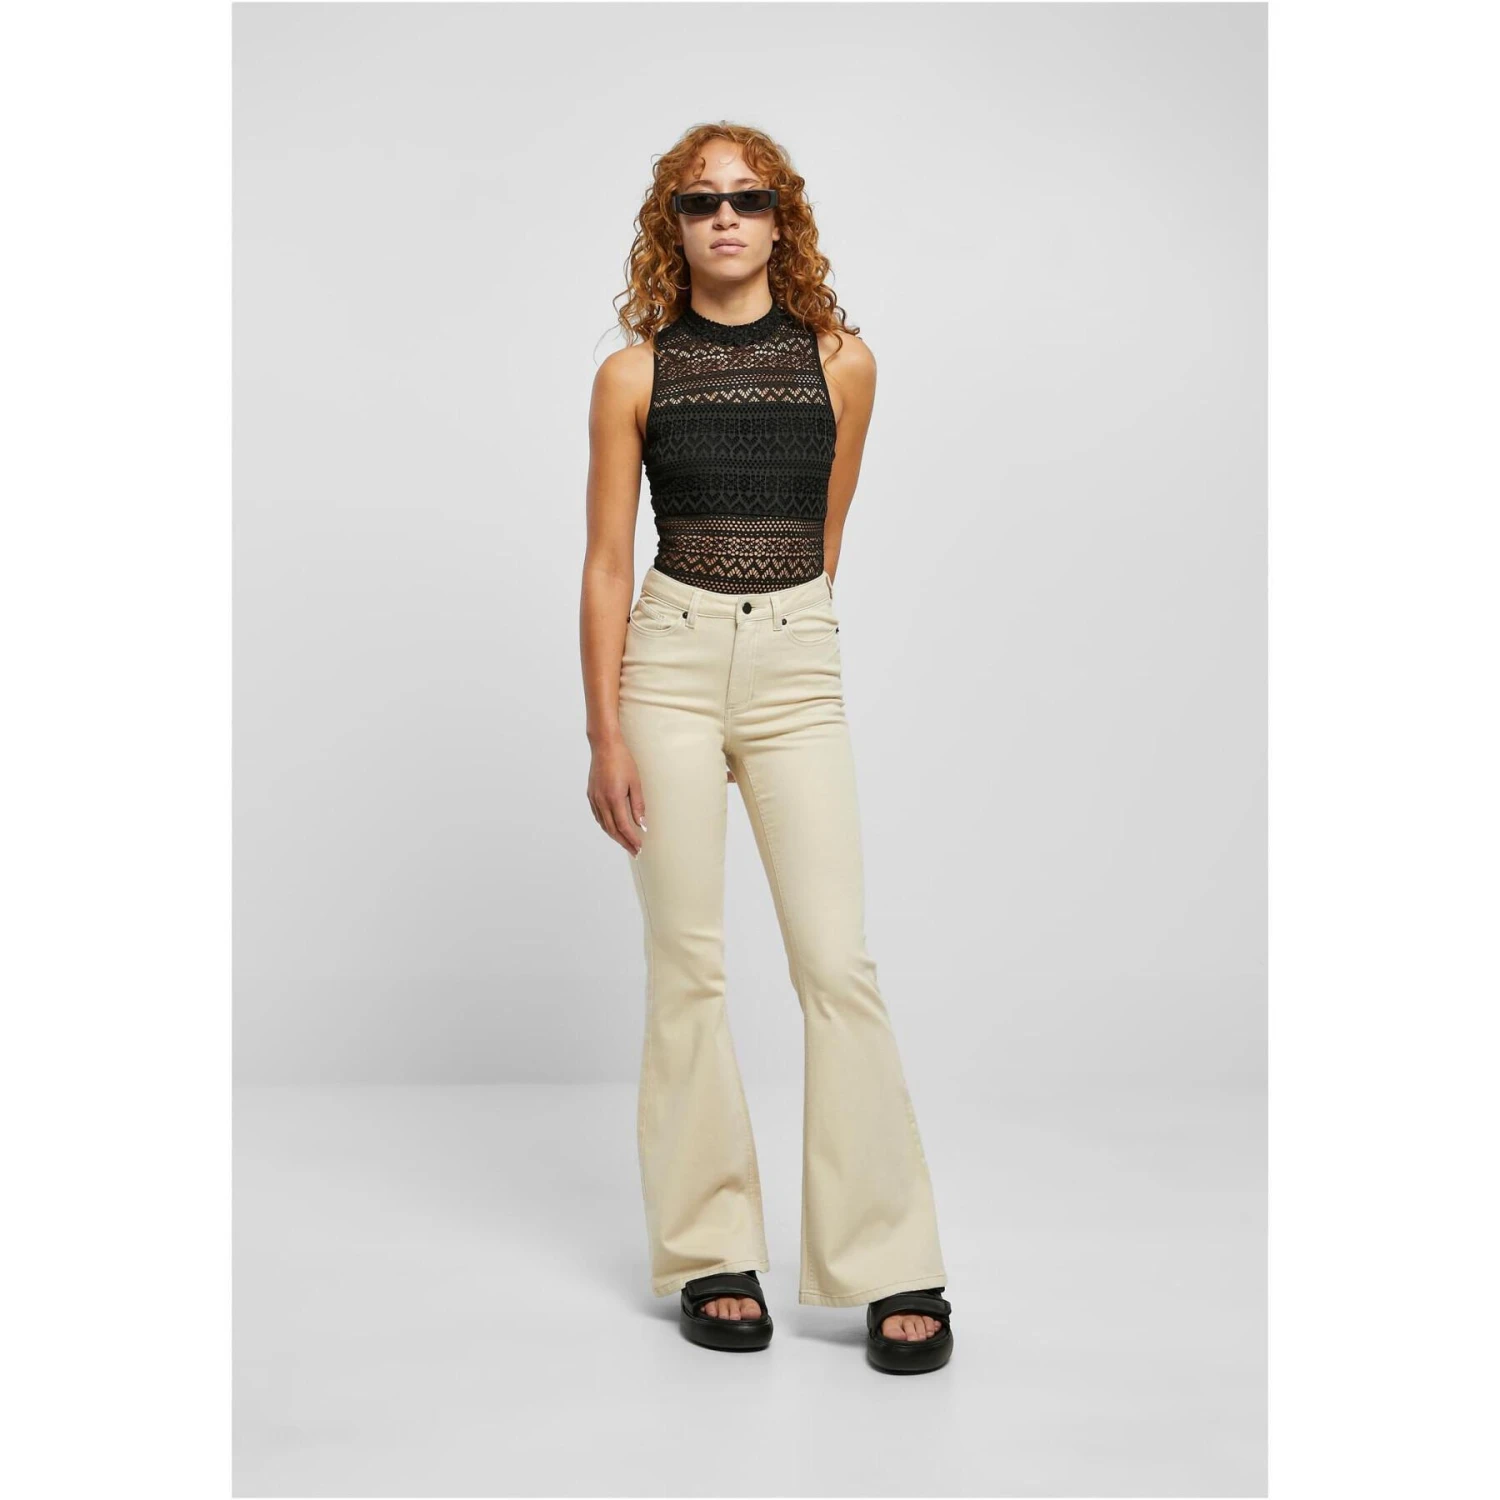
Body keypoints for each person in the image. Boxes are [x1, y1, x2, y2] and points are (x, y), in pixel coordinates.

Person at [580, 123, 954, 1373]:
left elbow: (823, 535)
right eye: (700, 201)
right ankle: (709, 1251)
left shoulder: (841, 363)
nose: (725, 218)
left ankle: (889, 1259)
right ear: (673, 226)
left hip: (796, 665)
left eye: (748, 198)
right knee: (687, 963)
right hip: (668, 666)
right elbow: (606, 563)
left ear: (781, 218)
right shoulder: (633, 376)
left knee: (836, 961)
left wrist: (784, 634)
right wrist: (604, 731)